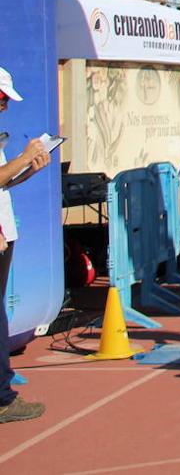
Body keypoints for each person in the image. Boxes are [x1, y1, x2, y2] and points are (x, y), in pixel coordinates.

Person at [0, 67, 51, 424]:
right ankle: (2, 397)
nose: (5, 108)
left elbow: (3, 183)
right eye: (2, 100)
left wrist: (29, 168)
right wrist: (23, 156)